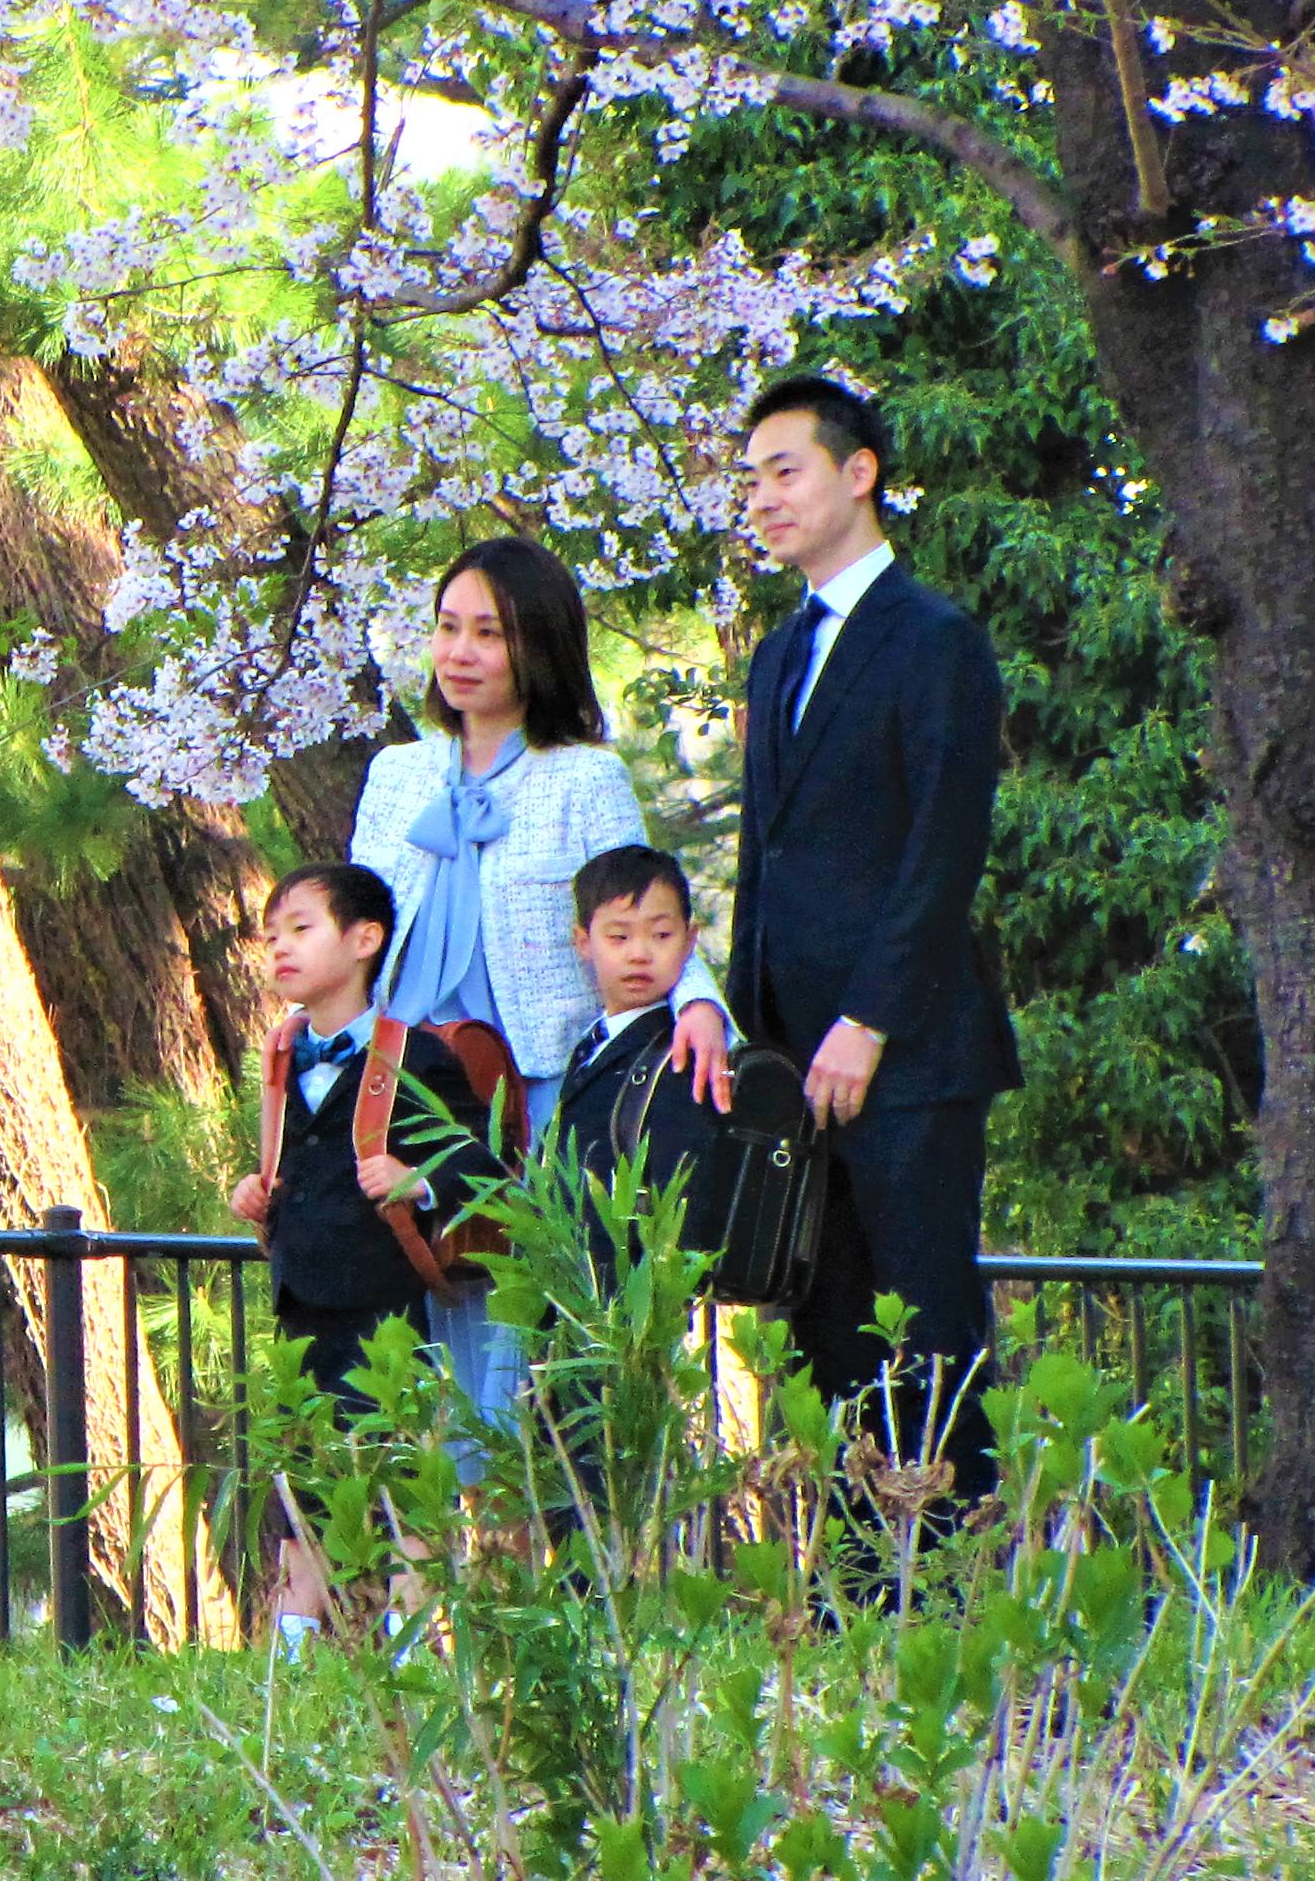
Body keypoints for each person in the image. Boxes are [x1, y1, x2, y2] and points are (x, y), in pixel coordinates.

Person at [345, 536, 732, 1445]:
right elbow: (353, 924)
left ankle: (545, 1515)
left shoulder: (584, 776)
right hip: (412, 1092)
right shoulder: (398, 774)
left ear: (540, 645)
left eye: (490, 633)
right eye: (448, 627)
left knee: (529, 1336)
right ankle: (455, 1524)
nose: (461, 652)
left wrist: (700, 1002)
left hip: (539, 1090)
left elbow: (642, 909)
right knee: (428, 1329)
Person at [729, 377, 1017, 1511]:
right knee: (828, 1341)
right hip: (795, 1069)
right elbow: (765, 859)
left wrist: (867, 1019)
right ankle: (852, 1591)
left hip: (911, 1056)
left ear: (859, 474)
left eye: (784, 471)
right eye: (750, 480)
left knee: (926, 1333)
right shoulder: (777, 654)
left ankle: (948, 1582)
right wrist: (753, 1043)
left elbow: (944, 850)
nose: (762, 498)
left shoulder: (935, 639)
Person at [225, 862, 503, 1646]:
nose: (280, 948)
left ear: (365, 939)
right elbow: (298, 1163)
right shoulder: (283, 1056)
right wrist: (258, 1189)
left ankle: (413, 1656)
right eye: (271, 936)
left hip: (387, 1314)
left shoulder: (413, 1055)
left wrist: (418, 1179)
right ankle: (292, 1663)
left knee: (405, 1488)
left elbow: (481, 1162)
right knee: (303, 1494)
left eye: (300, 929)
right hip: (300, 1310)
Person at [546, 845, 729, 1252]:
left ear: (690, 939)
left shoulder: (683, 1053)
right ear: (583, 941)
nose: (639, 954)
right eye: (619, 937)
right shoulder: (592, 1043)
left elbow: (686, 1209)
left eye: (662, 935)